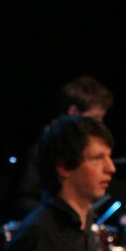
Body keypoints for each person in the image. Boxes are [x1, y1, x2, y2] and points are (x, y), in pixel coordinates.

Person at [0, 113, 116, 251]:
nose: (111, 168)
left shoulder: (87, 226)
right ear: (63, 166)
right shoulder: (37, 233)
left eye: (109, 157)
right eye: (97, 158)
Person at [12, 74, 114, 219]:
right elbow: (25, 200)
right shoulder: (43, 150)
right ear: (73, 112)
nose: (98, 125)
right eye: (95, 118)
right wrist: (62, 216)